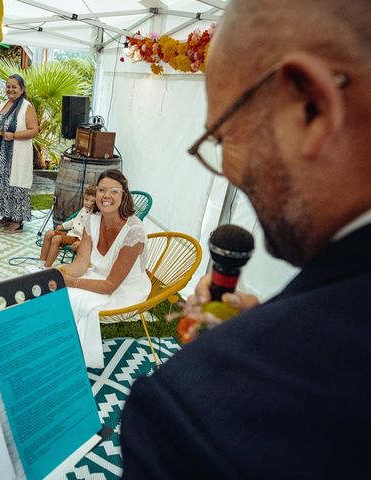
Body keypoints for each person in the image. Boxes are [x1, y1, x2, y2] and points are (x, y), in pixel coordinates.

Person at [121, 1, 371, 478]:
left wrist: (229, 360)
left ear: (312, 107)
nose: (230, 170)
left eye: (223, 136)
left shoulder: (190, 416)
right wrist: (269, 327)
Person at [59, 170, 149, 369]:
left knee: (71, 298)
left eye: (114, 191)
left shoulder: (134, 231)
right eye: (101, 190)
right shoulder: (92, 220)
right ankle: (55, 349)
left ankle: (70, 360)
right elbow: (81, 264)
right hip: (97, 277)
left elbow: (110, 285)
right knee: (55, 291)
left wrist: (71, 282)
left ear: (124, 196)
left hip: (124, 289)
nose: (106, 196)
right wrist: (61, 273)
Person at [0, 74, 39, 233]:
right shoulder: (3, 104)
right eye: (8, 86)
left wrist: (14, 136)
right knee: (2, 184)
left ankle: (18, 219)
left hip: (16, 153)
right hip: (0, 154)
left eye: (14, 87)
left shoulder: (26, 106)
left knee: (16, 184)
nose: (10, 89)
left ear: (22, 89)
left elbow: (34, 130)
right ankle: (7, 214)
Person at [33, 185, 96, 270]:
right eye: (86, 199)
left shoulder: (95, 216)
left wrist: (82, 242)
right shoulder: (84, 209)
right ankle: (42, 261)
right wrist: (63, 226)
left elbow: (93, 235)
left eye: (92, 201)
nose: (88, 203)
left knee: (56, 239)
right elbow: (74, 221)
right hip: (71, 234)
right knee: (49, 233)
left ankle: (46, 267)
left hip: (79, 238)